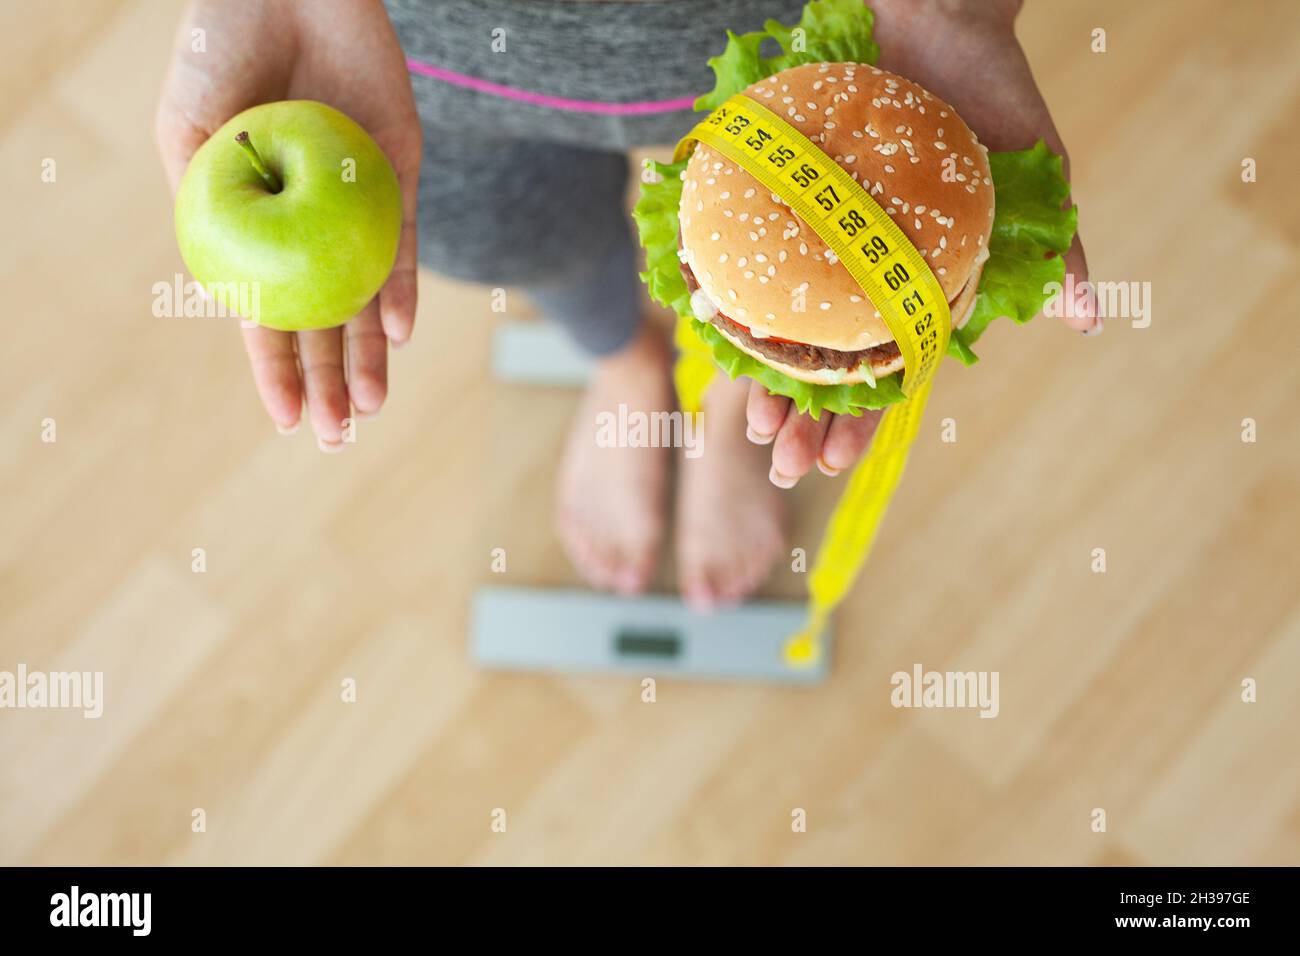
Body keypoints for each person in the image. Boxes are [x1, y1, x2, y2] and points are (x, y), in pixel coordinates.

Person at [156, 0, 1097, 610]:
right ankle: (628, 359)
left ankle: (734, 390)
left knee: (778, 279)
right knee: (511, 236)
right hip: (393, 56)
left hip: (789, 37)